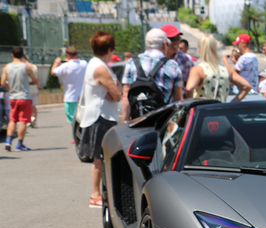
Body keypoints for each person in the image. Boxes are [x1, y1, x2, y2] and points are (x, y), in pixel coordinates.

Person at [78, 31, 121, 208]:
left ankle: (98, 193)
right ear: (109, 49)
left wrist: (113, 92)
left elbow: (115, 93)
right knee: (99, 158)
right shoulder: (101, 67)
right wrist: (114, 92)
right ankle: (95, 195)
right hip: (101, 116)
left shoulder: (96, 63)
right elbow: (118, 94)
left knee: (100, 158)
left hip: (100, 115)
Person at [122, 28, 182, 121]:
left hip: (138, 121)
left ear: (146, 43)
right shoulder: (173, 65)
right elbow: (178, 100)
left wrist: (125, 121)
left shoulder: (132, 62)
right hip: (163, 122)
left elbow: (126, 95)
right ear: (164, 44)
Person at [185, 34, 251, 102]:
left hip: (202, 110)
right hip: (221, 111)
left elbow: (189, 88)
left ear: (199, 49)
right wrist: (232, 103)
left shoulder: (198, 70)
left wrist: (191, 106)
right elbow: (247, 87)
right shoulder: (226, 70)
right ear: (215, 49)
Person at [2, 47, 39, 151]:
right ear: (23, 55)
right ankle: (20, 144)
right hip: (24, 97)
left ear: (12, 55)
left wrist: (9, 88)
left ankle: (8, 141)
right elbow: (35, 81)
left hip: (13, 97)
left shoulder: (7, 67)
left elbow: (2, 82)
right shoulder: (26, 67)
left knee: (12, 120)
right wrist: (28, 83)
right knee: (23, 121)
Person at [51, 46, 88, 128]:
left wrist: (56, 63)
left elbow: (53, 72)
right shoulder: (84, 63)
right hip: (83, 96)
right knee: (83, 117)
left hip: (70, 97)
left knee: (73, 119)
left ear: (67, 54)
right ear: (76, 54)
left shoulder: (65, 66)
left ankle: (76, 137)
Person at [161, 24, 193, 98]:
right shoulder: (155, 59)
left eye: (178, 38)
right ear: (163, 42)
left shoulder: (186, 59)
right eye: (172, 39)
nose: (176, 42)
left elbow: (189, 87)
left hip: (180, 106)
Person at [23, 56, 39, 128]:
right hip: (34, 88)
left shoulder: (24, 67)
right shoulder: (34, 67)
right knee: (33, 106)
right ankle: (34, 122)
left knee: (26, 106)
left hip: (26, 88)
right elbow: (37, 79)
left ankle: (27, 121)